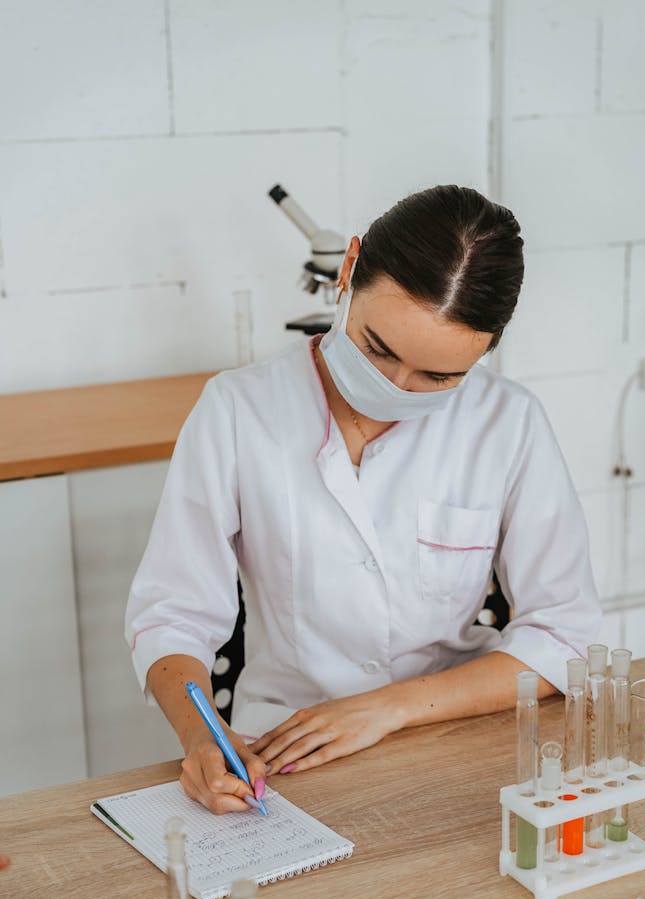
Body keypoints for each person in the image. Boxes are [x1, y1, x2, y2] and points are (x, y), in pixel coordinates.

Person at [125, 184, 601, 815]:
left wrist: (390, 708)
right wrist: (203, 738)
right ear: (348, 268)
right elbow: (172, 616)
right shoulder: (239, 411)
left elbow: (563, 636)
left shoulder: (508, 423)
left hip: (455, 733)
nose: (394, 388)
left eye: (438, 377)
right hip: (286, 747)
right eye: (378, 349)